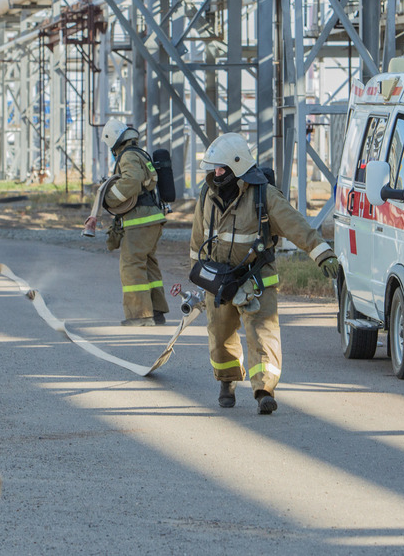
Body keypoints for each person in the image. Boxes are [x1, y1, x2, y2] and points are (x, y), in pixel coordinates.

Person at [190, 133, 339, 415]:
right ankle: (227, 381)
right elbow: (199, 237)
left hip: (256, 279)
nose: (216, 173)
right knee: (220, 335)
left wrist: (322, 253)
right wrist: (198, 274)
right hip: (219, 281)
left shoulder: (264, 195)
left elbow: (296, 225)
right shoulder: (207, 195)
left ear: (237, 166)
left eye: (221, 168)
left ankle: (264, 391)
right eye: (214, 169)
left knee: (263, 335)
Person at [83, 119, 169, 326]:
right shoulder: (139, 153)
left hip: (140, 220)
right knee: (148, 264)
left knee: (132, 264)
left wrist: (109, 199)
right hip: (152, 218)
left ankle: (140, 316)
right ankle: (156, 312)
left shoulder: (128, 155)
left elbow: (132, 180)